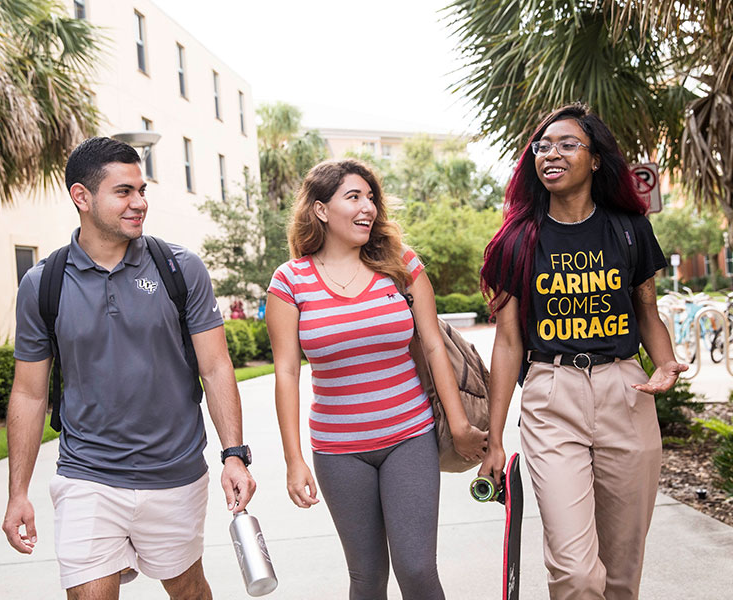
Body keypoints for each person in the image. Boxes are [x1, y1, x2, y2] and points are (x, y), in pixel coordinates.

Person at [1, 137, 256, 599]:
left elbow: (216, 367)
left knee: (189, 590)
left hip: (174, 472)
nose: (139, 203)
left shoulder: (180, 268)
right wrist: (18, 492)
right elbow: (29, 393)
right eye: (124, 192)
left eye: (142, 190)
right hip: (88, 473)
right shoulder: (43, 284)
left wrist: (234, 454)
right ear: (82, 197)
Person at [479, 104, 687, 600]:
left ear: (595, 160)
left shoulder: (629, 229)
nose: (551, 153)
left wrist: (664, 363)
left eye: (567, 144)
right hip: (552, 395)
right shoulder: (516, 241)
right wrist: (494, 437)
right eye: (543, 146)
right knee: (575, 573)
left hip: (625, 389)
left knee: (621, 572)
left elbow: (647, 311)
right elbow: (508, 344)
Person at [266, 158, 487, 599]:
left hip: (410, 436)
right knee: (366, 577)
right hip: (337, 449)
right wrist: (294, 460)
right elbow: (287, 372)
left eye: (371, 197)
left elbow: (433, 346)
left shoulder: (401, 265)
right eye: (354, 197)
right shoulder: (290, 281)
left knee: (418, 568)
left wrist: (460, 424)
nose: (367, 207)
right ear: (321, 210)